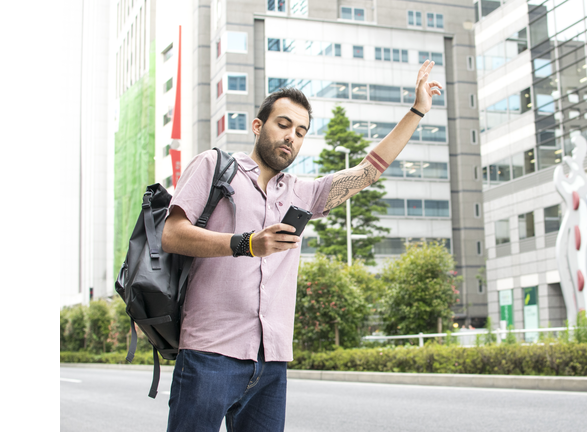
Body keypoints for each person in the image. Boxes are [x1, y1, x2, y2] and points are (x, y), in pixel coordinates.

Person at [161, 60, 443, 432]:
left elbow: (368, 171)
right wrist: (246, 243)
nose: (291, 136)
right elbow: (171, 233)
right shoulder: (214, 165)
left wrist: (418, 109)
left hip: (271, 361)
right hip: (209, 353)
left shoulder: (301, 193)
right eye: (283, 124)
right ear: (259, 126)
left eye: (301, 131)